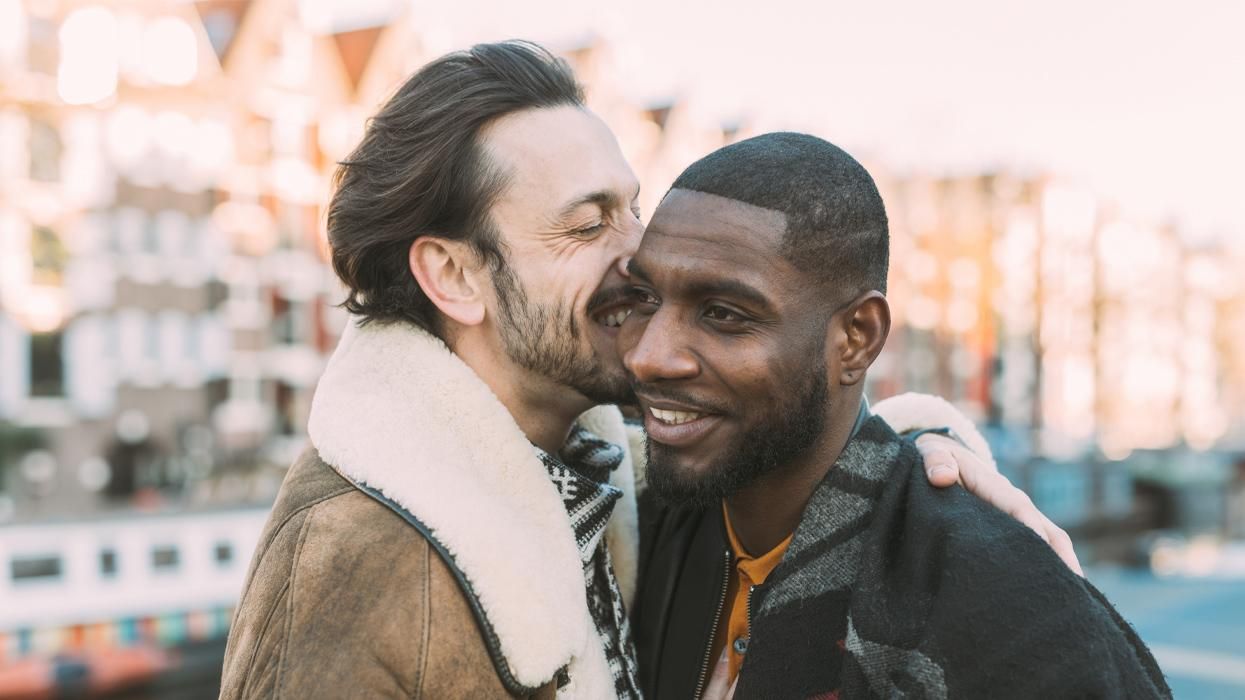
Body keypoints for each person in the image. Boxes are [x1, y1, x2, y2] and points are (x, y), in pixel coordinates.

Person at [219, 42, 1074, 698]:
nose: (642, 256)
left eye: (632, 207)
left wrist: (916, 472)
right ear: (454, 277)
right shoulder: (350, 554)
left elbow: (778, 444)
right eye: (586, 226)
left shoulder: (605, 483)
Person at [624, 132, 1170, 699]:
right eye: (643, 298)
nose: (647, 355)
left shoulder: (1010, 612)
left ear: (857, 339)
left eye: (723, 314)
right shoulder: (635, 525)